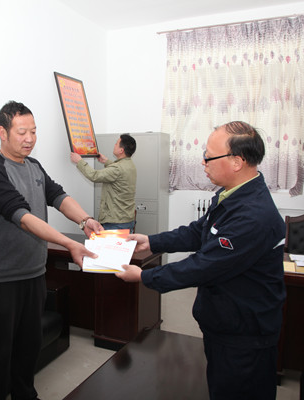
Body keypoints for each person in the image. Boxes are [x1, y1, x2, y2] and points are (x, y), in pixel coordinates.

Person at [116, 121, 286, 400]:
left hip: (245, 334)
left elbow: (204, 266)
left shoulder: (253, 216)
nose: (203, 162)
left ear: (237, 161)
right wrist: (152, 241)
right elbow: (199, 231)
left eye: (209, 156)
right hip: (224, 323)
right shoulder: (231, 194)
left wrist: (144, 276)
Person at [0, 100, 103, 400]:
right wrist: (69, 243)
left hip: (34, 275)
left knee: (28, 349)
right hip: (0, 280)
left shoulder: (33, 166)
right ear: (2, 132)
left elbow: (57, 196)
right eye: (22, 132)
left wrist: (85, 220)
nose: (30, 138)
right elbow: (22, 217)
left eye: (33, 131)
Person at [70, 134, 137, 232]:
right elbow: (119, 171)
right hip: (125, 219)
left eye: (116, 143)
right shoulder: (130, 165)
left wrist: (79, 161)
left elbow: (94, 175)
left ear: (121, 150)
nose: (114, 145)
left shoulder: (117, 168)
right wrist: (106, 161)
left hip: (115, 223)